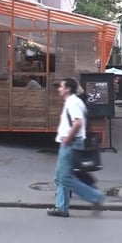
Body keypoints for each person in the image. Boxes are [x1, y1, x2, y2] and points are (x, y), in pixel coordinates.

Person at [47, 77, 104, 218]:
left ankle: (95, 197)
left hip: (70, 143)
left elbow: (77, 123)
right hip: (72, 142)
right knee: (61, 176)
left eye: (61, 86)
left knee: (64, 177)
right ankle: (61, 208)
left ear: (68, 89)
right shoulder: (73, 101)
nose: (59, 89)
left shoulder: (72, 102)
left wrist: (67, 139)